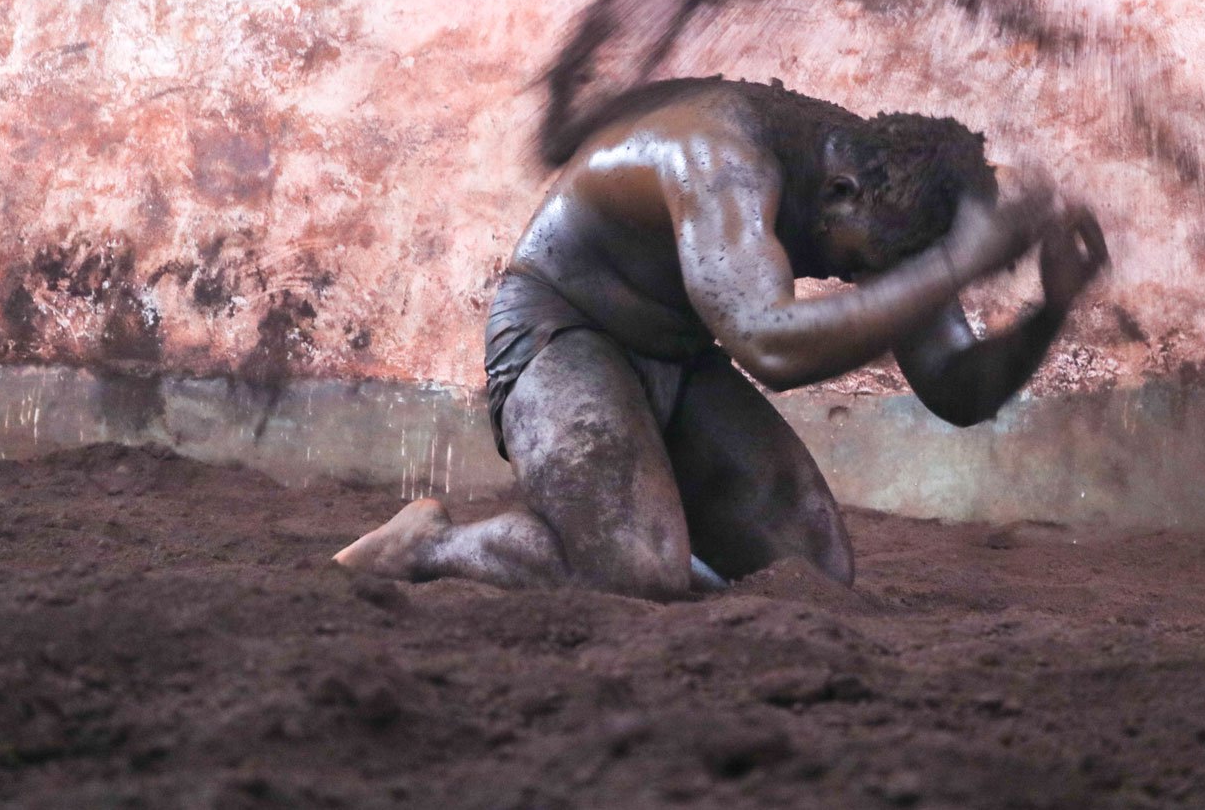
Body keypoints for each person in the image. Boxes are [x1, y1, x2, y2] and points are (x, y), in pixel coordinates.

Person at [334, 77, 1108, 598]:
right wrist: (951, 267)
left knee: (814, 570)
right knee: (639, 569)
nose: (868, 284)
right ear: (839, 195)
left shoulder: (891, 204)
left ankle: (636, 534)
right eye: (864, 270)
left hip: (676, 355)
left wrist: (1048, 312)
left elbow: (956, 387)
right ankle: (428, 547)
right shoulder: (720, 159)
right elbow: (769, 345)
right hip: (562, 333)